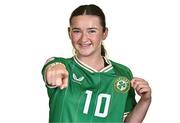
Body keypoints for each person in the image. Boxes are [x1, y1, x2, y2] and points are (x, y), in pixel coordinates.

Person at [41, 4, 151, 123]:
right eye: (77, 31)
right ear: (69, 33)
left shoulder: (122, 73)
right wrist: (53, 68)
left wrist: (145, 100)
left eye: (92, 31)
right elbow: (52, 66)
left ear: (104, 33)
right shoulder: (63, 66)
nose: (83, 39)